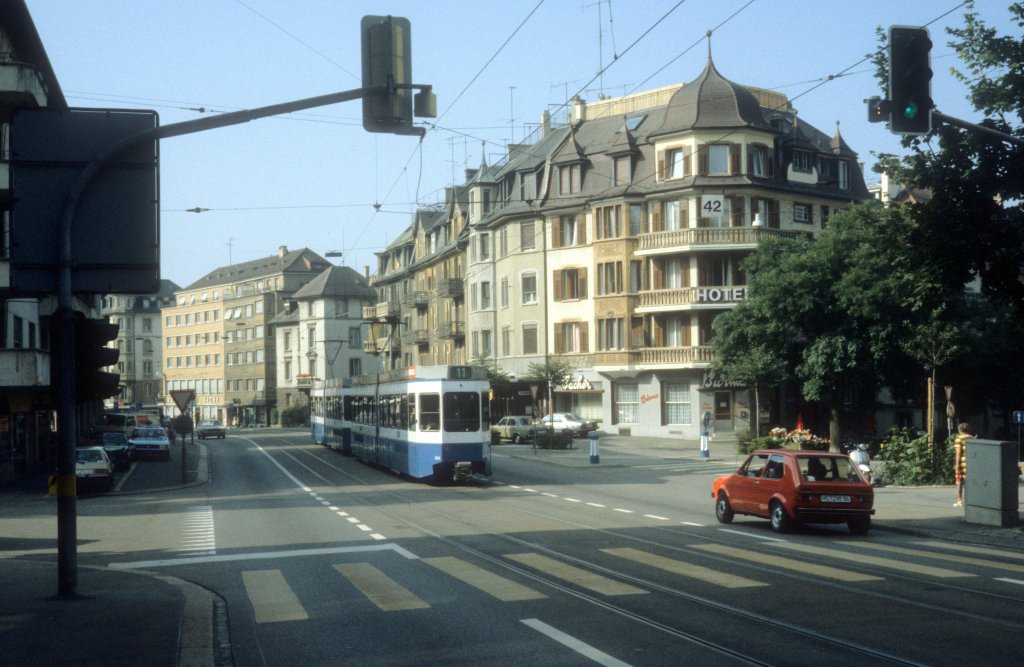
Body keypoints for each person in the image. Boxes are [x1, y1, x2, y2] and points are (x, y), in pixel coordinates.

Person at [953, 422, 974, 507]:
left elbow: (958, 452)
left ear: (959, 430)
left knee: (959, 481)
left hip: (962, 463)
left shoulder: (959, 439)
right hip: (971, 463)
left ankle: (959, 500)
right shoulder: (972, 438)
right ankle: (971, 500)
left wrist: (957, 464)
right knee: (971, 482)